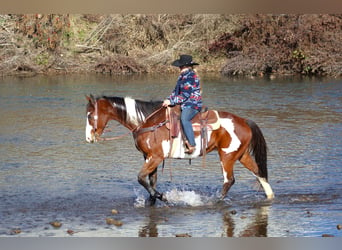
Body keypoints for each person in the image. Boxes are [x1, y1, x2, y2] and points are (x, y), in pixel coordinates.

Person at [162, 54, 202, 154]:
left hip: (192, 104)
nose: (179, 68)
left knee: (185, 119)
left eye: (181, 66)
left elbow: (185, 95)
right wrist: (168, 99)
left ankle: (192, 145)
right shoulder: (182, 76)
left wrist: (171, 101)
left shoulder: (190, 77)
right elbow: (175, 92)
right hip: (182, 103)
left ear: (185, 66)